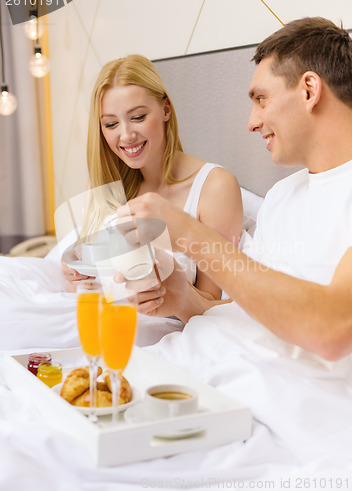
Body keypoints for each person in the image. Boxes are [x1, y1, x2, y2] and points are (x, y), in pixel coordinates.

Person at [116, 18, 352, 361]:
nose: (251, 122)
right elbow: (244, 314)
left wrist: (190, 235)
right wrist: (183, 300)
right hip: (194, 363)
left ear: (309, 90)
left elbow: (332, 328)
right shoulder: (283, 195)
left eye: (261, 99)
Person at [61, 54, 243, 320]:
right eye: (111, 124)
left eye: (137, 117)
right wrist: (76, 275)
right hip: (96, 323)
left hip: (154, 332)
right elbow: (90, 285)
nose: (125, 135)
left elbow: (209, 302)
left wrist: (170, 292)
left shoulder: (214, 188)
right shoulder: (108, 186)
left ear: (166, 109)